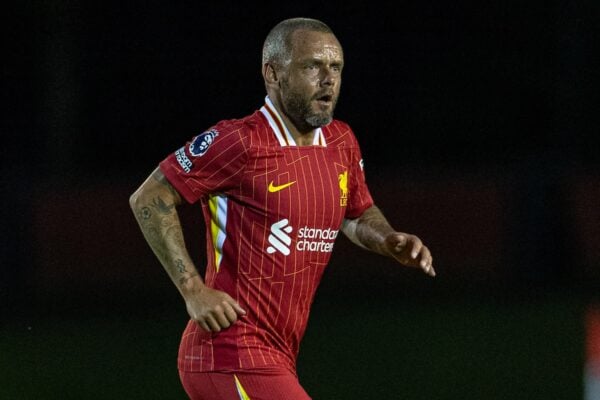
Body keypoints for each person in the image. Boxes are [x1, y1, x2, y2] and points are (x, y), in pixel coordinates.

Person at [130, 17, 435, 400]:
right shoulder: (238, 141)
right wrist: (193, 289)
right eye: (312, 66)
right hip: (228, 353)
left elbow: (356, 214)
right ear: (272, 73)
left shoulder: (342, 142)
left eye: (336, 67)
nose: (328, 79)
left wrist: (388, 239)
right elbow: (148, 198)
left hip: (280, 354)